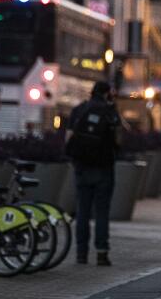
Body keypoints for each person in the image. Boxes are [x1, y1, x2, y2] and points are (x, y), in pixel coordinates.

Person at [65, 81, 121, 265]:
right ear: (107, 93)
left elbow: (68, 139)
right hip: (104, 168)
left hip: (82, 167)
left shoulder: (79, 110)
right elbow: (119, 140)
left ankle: (81, 254)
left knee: (82, 211)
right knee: (101, 212)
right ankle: (102, 253)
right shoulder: (110, 112)